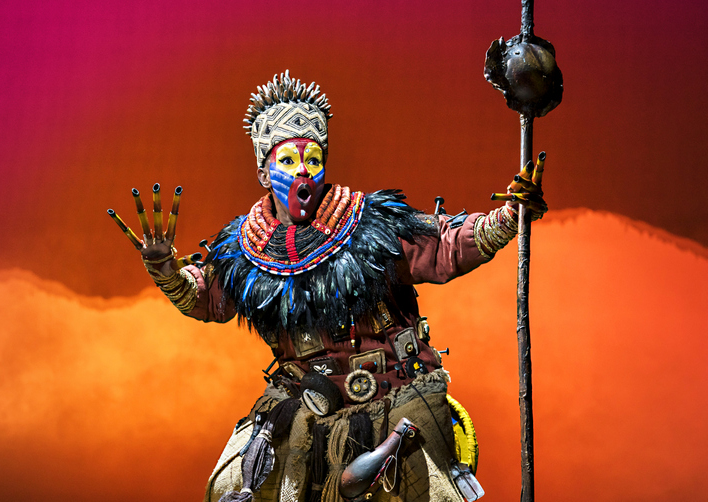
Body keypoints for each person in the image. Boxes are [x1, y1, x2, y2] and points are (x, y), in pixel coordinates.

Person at [109, 71, 547, 502]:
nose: (303, 171)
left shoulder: (371, 224)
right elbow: (207, 299)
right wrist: (165, 269)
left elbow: (444, 245)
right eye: (287, 161)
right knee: (233, 488)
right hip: (301, 409)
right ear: (264, 172)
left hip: (396, 399)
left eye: (313, 160)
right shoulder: (244, 249)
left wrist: (510, 216)